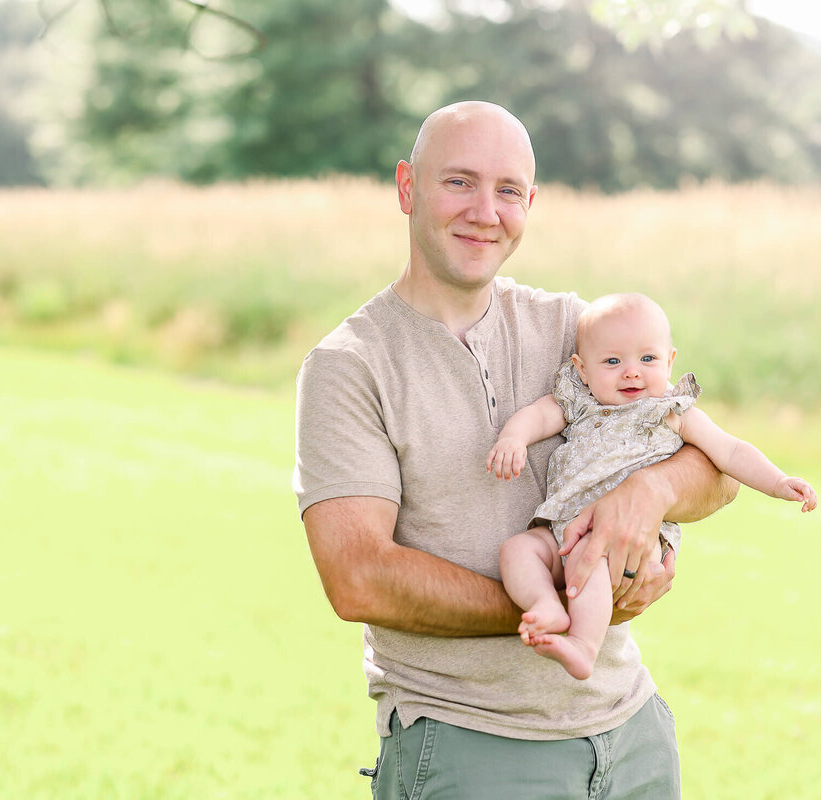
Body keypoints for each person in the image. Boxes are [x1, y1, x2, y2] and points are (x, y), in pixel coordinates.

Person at [294, 100, 738, 799]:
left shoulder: (574, 326)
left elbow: (714, 467)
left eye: (508, 191)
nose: (484, 211)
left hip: (632, 734)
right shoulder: (351, 364)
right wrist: (569, 605)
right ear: (408, 188)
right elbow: (359, 578)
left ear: (531, 202)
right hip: (472, 747)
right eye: (459, 182)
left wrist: (647, 496)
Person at [488, 293, 818, 680]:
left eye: (647, 360)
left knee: (588, 560)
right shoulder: (579, 401)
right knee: (518, 550)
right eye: (613, 362)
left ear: (670, 361)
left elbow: (729, 451)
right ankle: (545, 604)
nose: (631, 372)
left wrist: (778, 482)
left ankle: (583, 646)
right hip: (560, 525)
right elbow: (536, 416)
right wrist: (512, 439)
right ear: (581, 369)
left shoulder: (671, 411)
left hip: (628, 536)